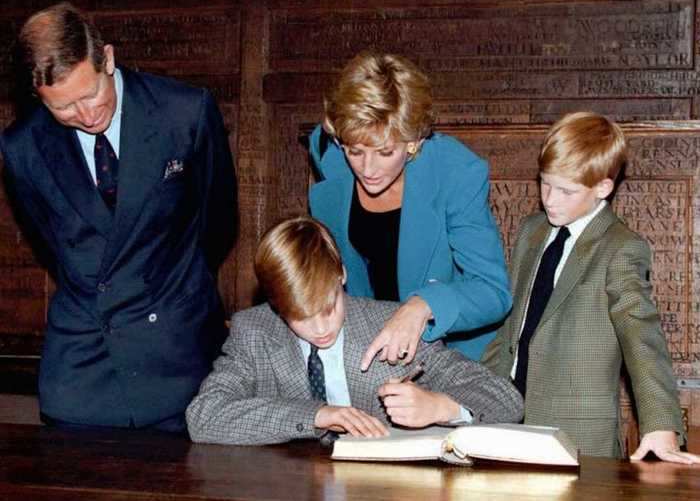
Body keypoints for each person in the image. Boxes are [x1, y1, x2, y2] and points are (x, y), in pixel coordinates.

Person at [0, 2, 237, 431]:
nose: (87, 115)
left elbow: (218, 222)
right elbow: (50, 241)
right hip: (84, 359)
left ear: (107, 58)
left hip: (176, 349)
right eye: (64, 108)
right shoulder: (22, 147)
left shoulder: (184, 112)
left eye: (90, 94)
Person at [186, 216, 522, 445]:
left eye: (328, 308)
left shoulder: (392, 326)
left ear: (342, 275)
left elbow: (507, 400)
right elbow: (204, 416)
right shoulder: (254, 331)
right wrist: (317, 415)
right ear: (276, 305)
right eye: (299, 317)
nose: (319, 329)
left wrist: (442, 407)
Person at [481, 112, 699, 463]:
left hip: (579, 438)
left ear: (603, 188)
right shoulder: (531, 231)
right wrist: (473, 397)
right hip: (504, 421)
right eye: (544, 183)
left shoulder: (621, 248)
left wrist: (661, 426)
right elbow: (511, 329)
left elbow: (641, 334)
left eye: (566, 191)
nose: (550, 199)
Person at [308, 51, 511, 368]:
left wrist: (423, 305)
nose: (368, 168)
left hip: (453, 355)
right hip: (369, 348)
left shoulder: (454, 173)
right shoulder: (332, 157)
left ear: (413, 141)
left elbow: (493, 292)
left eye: (386, 152)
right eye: (356, 151)